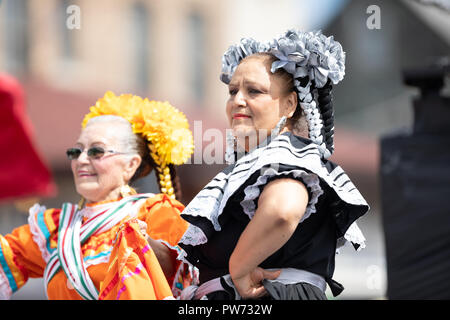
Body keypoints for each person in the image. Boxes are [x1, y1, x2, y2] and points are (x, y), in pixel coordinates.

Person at [178, 29, 370, 300]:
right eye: (232, 91)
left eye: (253, 91)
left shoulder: (288, 155)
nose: (237, 100)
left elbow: (283, 208)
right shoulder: (259, 164)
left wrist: (239, 268)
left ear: (290, 104)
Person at [0, 91, 197, 300]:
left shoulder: (156, 213)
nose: (82, 160)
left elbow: (180, 269)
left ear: (131, 165)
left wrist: (143, 241)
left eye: (96, 152)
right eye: (76, 152)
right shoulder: (55, 228)